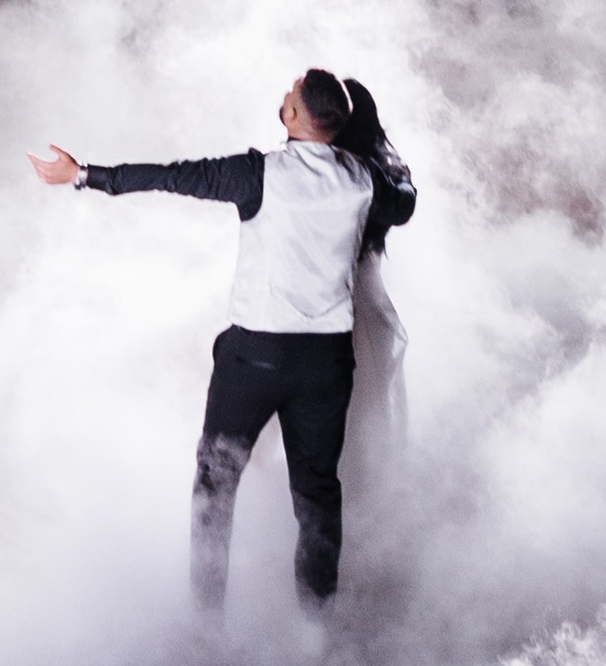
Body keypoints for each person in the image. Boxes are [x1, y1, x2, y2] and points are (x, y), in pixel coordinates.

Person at [32, 67, 414, 614]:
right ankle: (316, 630)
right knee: (317, 498)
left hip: (255, 358)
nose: (283, 97)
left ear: (294, 116)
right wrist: (383, 151)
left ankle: (206, 620)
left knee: (216, 483)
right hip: (327, 362)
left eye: (289, 95)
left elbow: (173, 176)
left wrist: (84, 174)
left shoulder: (259, 173)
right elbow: (403, 202)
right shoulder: (362, 180)